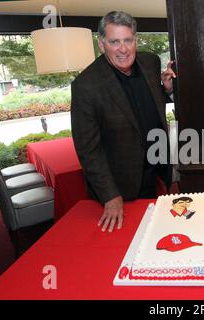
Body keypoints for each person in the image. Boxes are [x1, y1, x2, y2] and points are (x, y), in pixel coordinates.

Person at [71, 11, 175, 232]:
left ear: (135, 40)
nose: (123, 49)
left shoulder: (150, 62)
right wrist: (110, 195)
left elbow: (145, 102)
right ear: (101, 44)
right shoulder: (85, 86)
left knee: (157, 236)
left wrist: (166, 91)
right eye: (114, 42)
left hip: (156, 171)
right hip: (122, 186)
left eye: (128, 40)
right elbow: (88, 149)